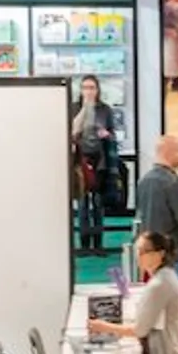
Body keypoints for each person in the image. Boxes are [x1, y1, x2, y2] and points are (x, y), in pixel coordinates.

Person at [136, 135, 178, 334]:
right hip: (177, 253)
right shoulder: (172, 183)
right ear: (169, 152)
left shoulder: (144, 181)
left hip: (152, 255)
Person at [70, 74, 120, 251]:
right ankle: (84, 243)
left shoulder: (105, 110)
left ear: (98, 90)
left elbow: (113, 134)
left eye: (92, 88)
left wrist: (107, 135)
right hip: (80, 161)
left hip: (100, 160)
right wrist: (85, 107)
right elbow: (72, 130)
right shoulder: (74, 107)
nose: (89, 91)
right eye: (85, 88)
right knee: (82, 202)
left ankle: (98, 243)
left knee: (98, 203)